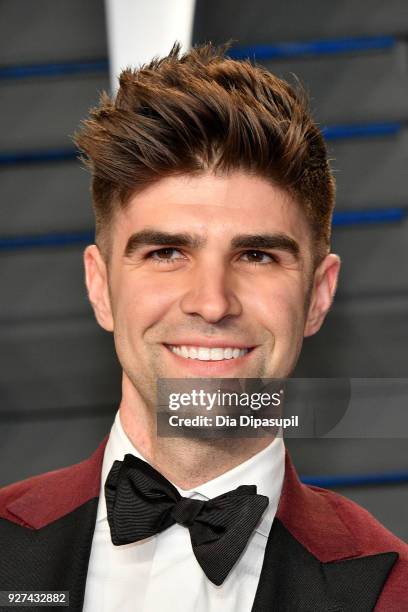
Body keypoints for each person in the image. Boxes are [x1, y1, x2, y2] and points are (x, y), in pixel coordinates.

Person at [0, 43, 406, 612]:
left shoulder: (393, 592)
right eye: (167, 252)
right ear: (100, 287)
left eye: (257, 256)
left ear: (317, 295)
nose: (212, 303)